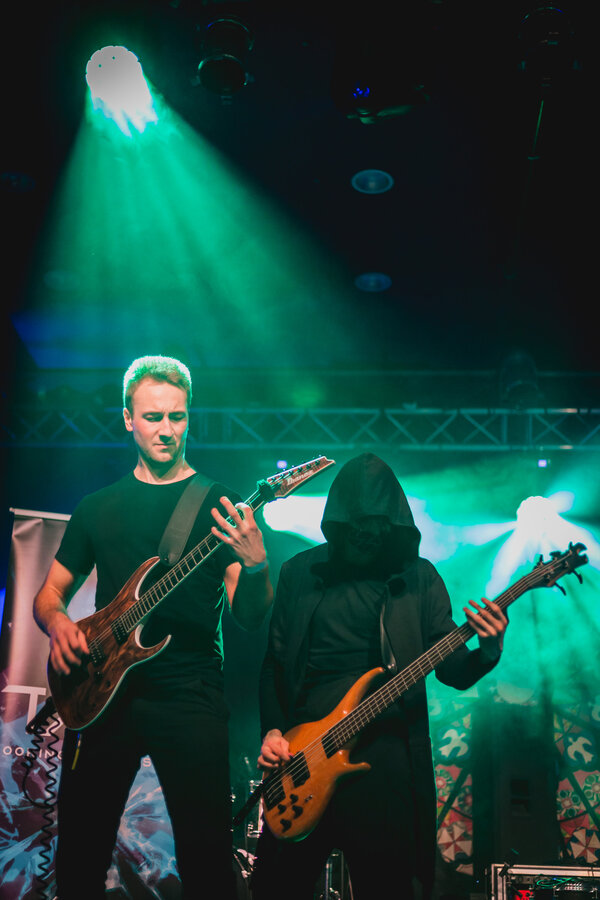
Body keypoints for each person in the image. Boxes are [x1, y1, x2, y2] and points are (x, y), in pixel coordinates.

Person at [33, 355, 273, 899]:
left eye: (177, 416)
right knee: (79, 857)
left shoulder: (220, 505)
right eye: (153, 416)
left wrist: (257, 567)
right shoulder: (97, 507)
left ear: (189, 418)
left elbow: (250, 615)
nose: (167, 429)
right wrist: (59, 625)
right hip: (102, 692)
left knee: (207, 860)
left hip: (190, 692)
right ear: (128, 419)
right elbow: (49, 595)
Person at [250, 452, 508, 900]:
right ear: (339, 521)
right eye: (358, 524)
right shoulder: (301, 573)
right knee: (275, 887)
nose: (368, 534)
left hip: (383, 757)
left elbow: (453, 670)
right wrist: (272, 730)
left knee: (388, 887)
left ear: (394, 526)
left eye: (378, 526)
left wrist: (488, 650)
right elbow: (273, 663)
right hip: (303, 753)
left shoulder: (418, 579)